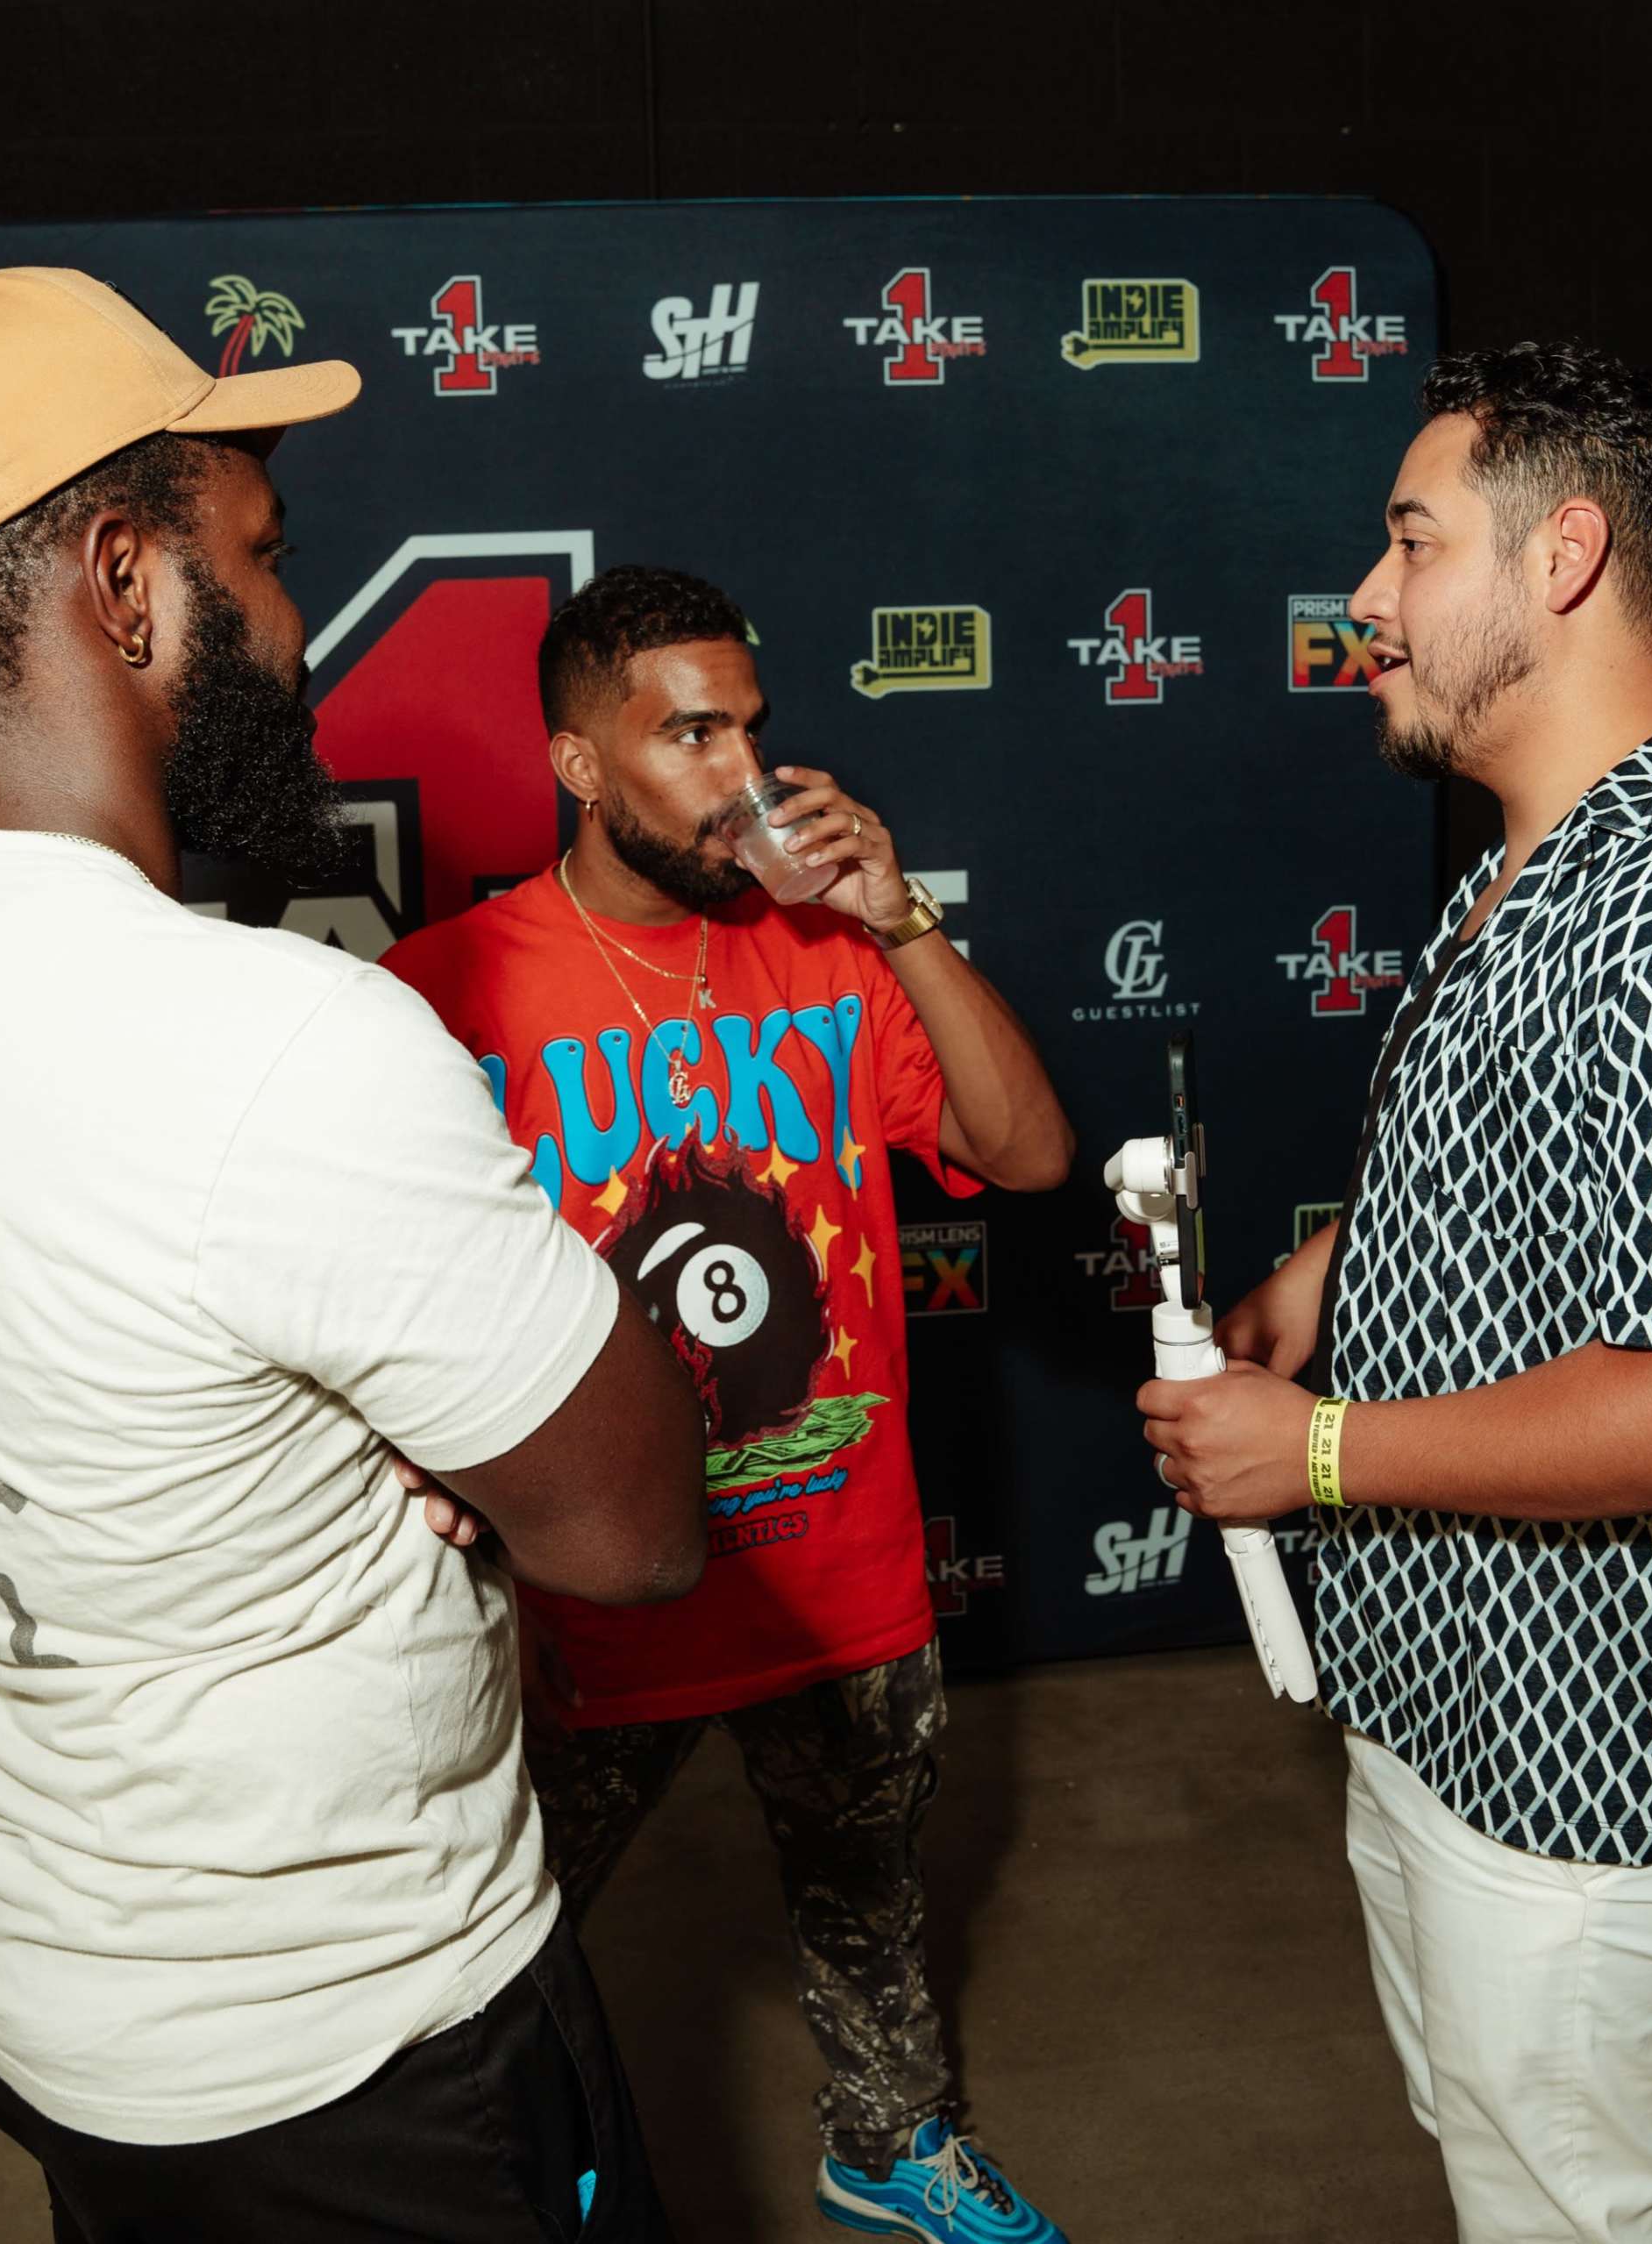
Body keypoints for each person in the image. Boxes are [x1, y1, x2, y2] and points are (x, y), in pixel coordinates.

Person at [0, 267, 707, 2242]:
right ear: (122, 581)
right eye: (260, 556)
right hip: (349, 2055)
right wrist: (471, 1375)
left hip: (46, 1983)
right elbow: (631, 1526)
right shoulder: (278, 1038)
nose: (292, 622)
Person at [1138, 342, 1652, 2243]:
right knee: (1498, 2163)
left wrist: (1312, 1453)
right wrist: (1335, 1270)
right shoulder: (1545, 861)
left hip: (1588, 1775)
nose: (1369, 601)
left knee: (1572, 2209)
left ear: (1562, 556)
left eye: (1410, 543)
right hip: (1446, 1699)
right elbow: (1538, 1173)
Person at [381, 565, 1076, 2244]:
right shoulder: (442, 986)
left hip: (839, 1574)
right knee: (477, 1954)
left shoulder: (832, 957)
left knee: (871, 1909)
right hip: (591, 1593)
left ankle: (890, 2139)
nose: (745, 772)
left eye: (751, 727)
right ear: (578, 765)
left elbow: (1028, 1154)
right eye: (689, 734)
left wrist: (901, 916)